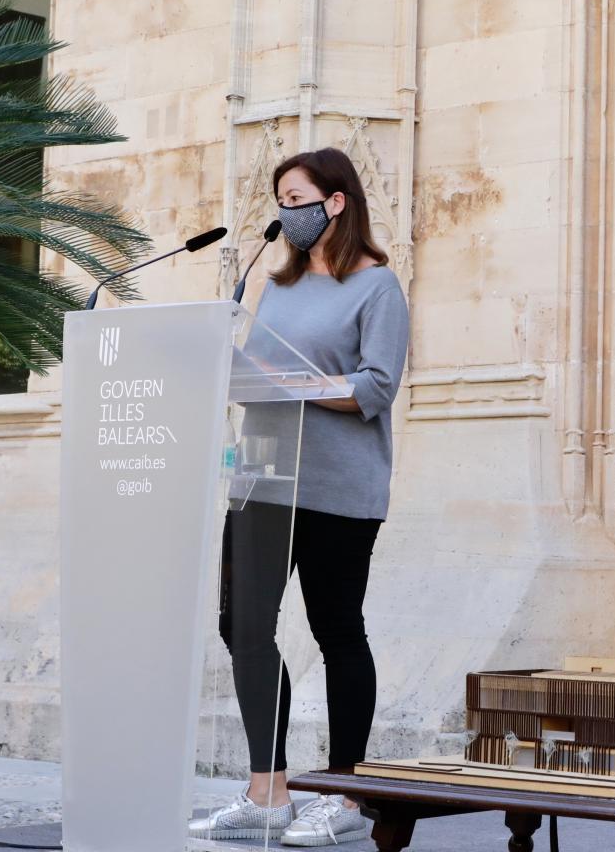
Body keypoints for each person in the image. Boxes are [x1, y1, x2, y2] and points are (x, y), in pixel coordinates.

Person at [188, 147, 410, 847]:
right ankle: (269, 792)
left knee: (337, 629)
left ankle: (347, 793)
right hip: (262, 478)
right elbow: (260, 370)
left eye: (296, 197)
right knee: (242, 626)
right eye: (280, 199)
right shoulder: (276, 286)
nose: (285, 212)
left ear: (335, 202)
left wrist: (301, 388)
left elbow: (376, 387)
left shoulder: (379, 288)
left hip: (338, 489)